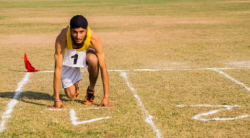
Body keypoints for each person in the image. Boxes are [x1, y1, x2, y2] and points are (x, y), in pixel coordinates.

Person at [49, 15, 114, 109]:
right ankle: (75, 85)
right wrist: (56, 99)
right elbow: (57, 68)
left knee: (93, 60)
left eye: (81, 32)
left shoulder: (94, 39)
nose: (78, 36)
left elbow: (103, 68)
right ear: (70, 30)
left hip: (86, 52)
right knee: (71, 95)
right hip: (69, 54)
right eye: (75, 32)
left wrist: (106, 97)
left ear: (86, 30)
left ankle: (90, 90)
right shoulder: (62, 38)